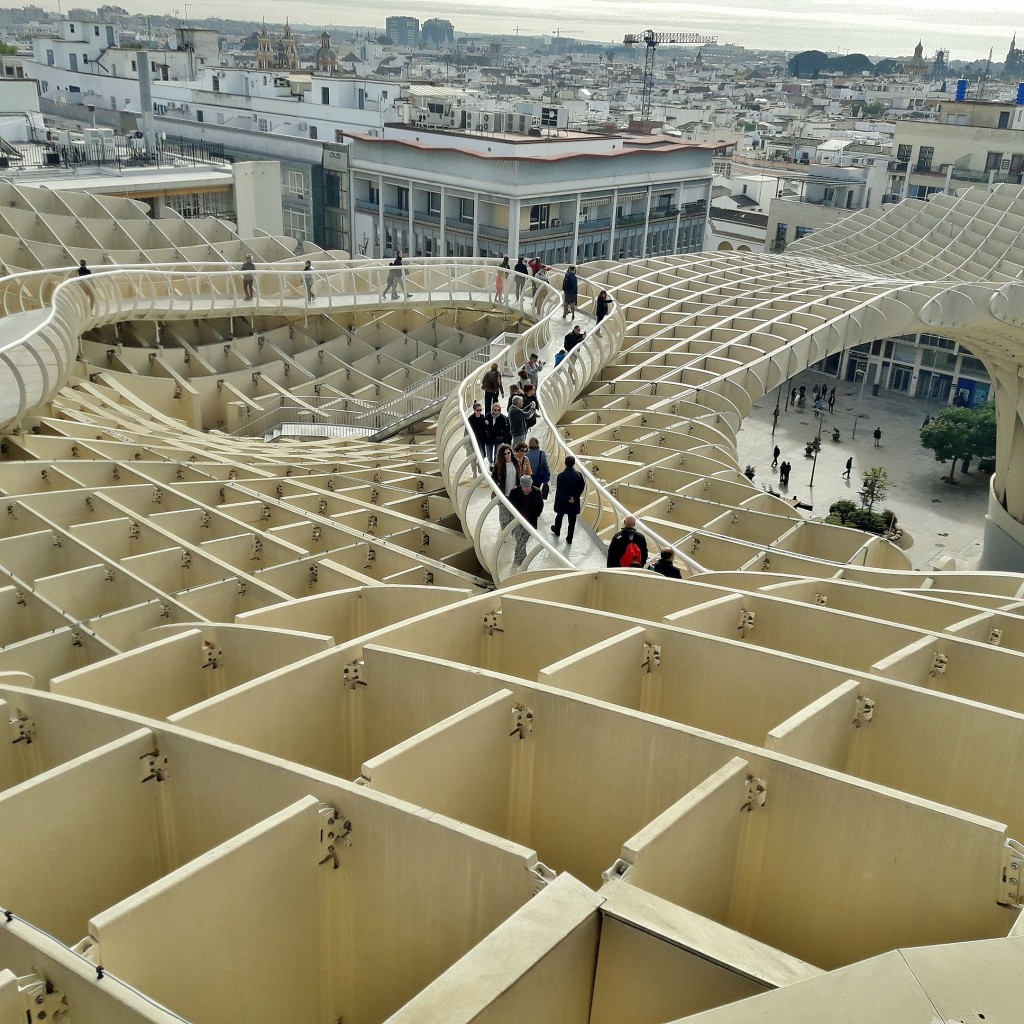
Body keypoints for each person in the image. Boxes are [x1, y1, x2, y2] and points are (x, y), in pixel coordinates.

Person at [509, 475, 544, 568]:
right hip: (517, 521)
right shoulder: (514, 492)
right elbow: (509, 506)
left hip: (530, 521)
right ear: (521, 485)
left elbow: (540, 505)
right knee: (519, 540)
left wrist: (537, 514)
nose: (527, 488)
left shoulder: (537, 492)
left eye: (528, 486)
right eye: (525, 486)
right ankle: (520, 559)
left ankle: (520, 559)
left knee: (523, 540)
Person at [552, 455, 585, 544]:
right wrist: (574, 497)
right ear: (574, 464)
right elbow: (581, 487)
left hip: (563, 501)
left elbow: (560, 490)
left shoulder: (561, 476)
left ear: (565, 463)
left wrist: (567, 497)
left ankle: (557, 530)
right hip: (574, 502)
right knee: (572, 521)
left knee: (559, 516)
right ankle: (569, 538)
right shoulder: (579, 475)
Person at [492, 444, 521, 531]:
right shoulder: (498, 465)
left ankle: (511, 531)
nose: (507, 455)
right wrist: (498, 485)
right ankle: (504, 532)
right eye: (504, 454)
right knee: (503, 516)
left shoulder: (516, 463)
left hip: (514, 495)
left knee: (513, 514)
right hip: (503, 494)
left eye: (508, 453)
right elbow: (493, 478)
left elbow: (519, 476)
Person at [467, 402, 489, 470]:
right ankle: (475, 471)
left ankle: (479, 466)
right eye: (478, 410)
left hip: (482, 439)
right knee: (476, 456)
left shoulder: (482, 416)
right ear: (474, 410)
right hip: (475, 440)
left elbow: (484, 428)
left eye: (480, 410)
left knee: (483, 455)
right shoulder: (470, 419)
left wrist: (486, 424)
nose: (479, 412)